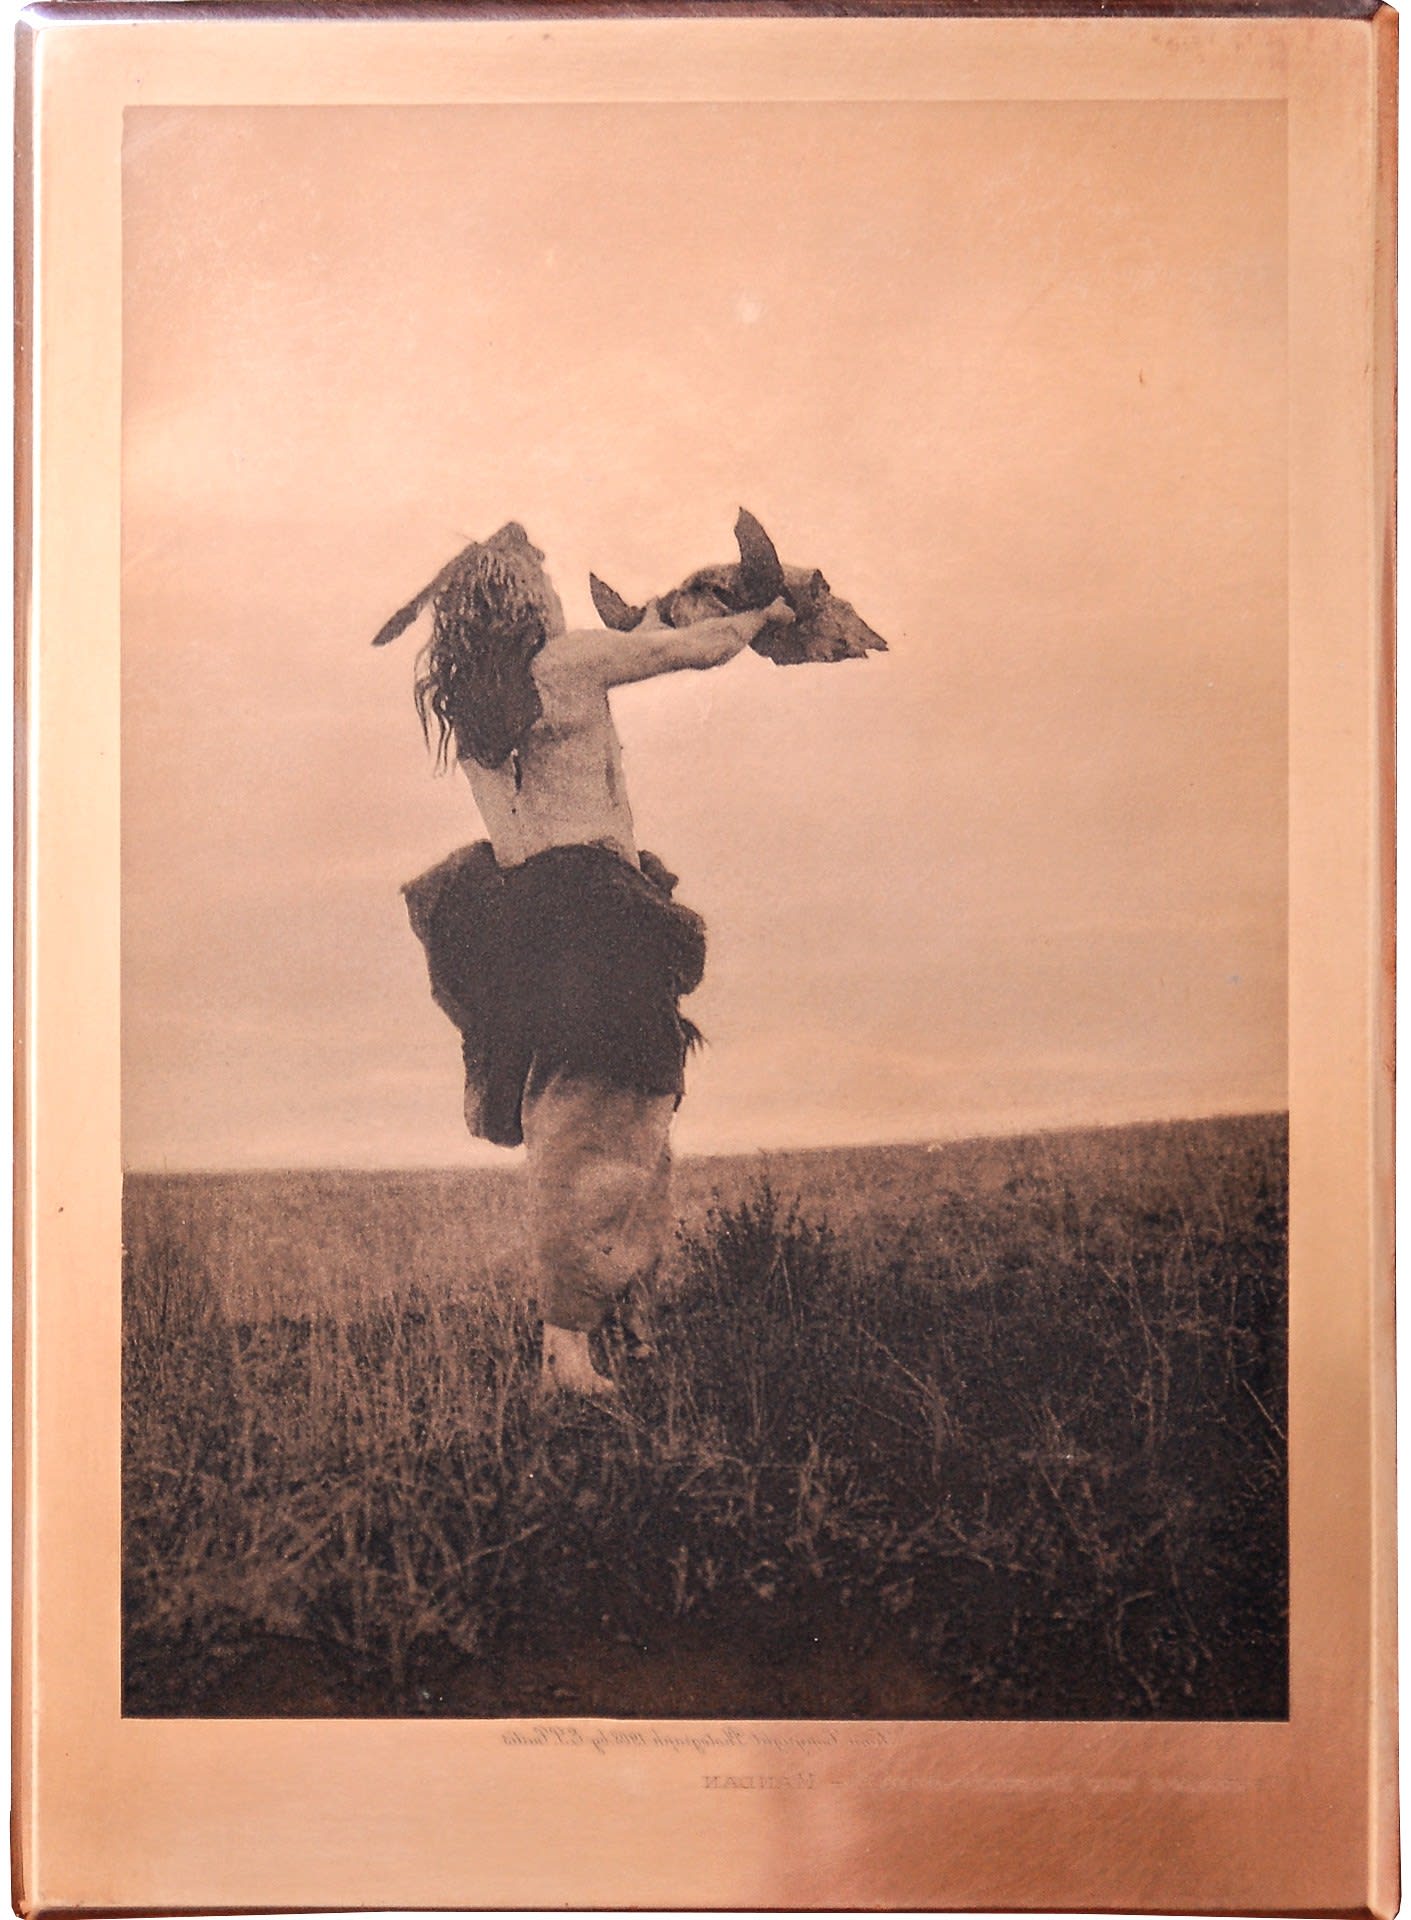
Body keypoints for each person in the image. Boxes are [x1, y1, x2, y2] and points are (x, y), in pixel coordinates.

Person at [389, 522, 793, 1396]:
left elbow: (646, 640)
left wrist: (661, 617)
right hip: (599, 917)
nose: (552, 585)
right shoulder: (563, 665)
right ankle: (565, 1351)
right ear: (521, 595)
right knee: (603, 1121)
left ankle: (616, 1332)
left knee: (592, 1119)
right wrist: (766, 611)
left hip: (532, 916)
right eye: (539, 575)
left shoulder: (478, 704)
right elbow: (700, 650)